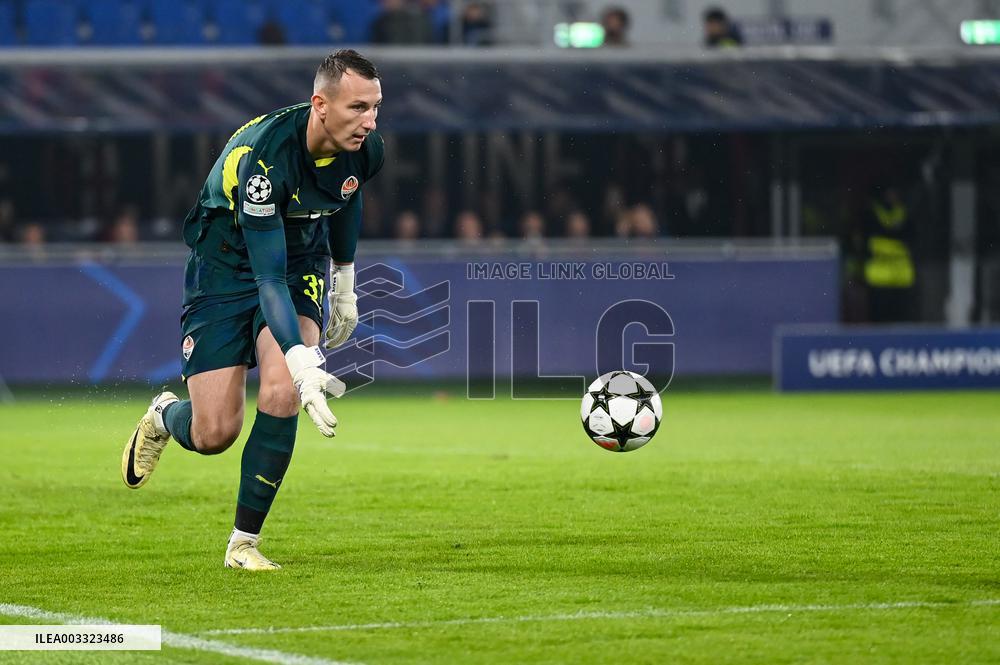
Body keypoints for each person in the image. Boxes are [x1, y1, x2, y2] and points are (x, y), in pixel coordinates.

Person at [121, 49, 385, 571]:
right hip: (226, 261)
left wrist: (347, 284)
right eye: (358, 108)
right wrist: (304, 358)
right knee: (214, 432)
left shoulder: (366, 148)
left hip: (300, 253)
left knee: (283, 389)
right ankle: (163, 417)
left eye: (376, 107)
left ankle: (244, 543)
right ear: (320, 105)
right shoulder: (266, 163)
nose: (370, 121)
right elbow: (266, 277)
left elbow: (346, 196)